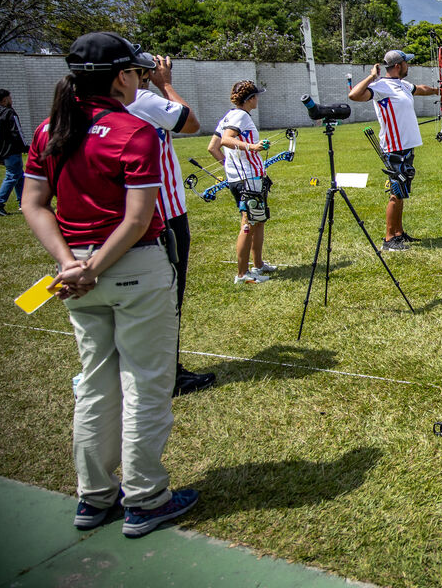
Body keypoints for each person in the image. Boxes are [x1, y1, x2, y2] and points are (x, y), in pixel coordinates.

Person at [21, 31, 198, 537]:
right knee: (145, 383)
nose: (141, 79)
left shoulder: (49, 129)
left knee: (95, 382)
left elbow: (34, 204)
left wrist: (72, 264)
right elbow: (138, 219)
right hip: (129, 266)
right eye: (138, 73)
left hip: (77, 271)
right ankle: (146, 499)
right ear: (122, 77)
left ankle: (94, 495)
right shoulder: (132, 130)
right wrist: (93, 265)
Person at [126, 54, 216, 395]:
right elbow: (190, 122)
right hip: (164, 214)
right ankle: (167, 374)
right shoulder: (143, 100)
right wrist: (165, 84)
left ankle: (141, 369)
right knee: (168, 295)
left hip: (129, 214)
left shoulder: (91, 107)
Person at [347, 51, 440, 251]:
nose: (408, 66)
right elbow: (354, 95)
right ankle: (389, 239)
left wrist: (437, 90)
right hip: (394, 147)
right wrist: (372, 77)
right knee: (396, 192)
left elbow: (419, 89)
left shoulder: (403, 85)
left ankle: (399, 233)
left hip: (406, 146)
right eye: (406, 63)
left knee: (402, 190)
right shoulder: (380, 86)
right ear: (398, 65)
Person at [207, 80, 275, 284]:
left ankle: (258, 265)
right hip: (248, 179)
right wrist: (253, 147)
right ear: (250, 99)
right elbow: (226, 140)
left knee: (258, 220)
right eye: (256, 96)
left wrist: (229, 166)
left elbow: (212, 147)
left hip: (243, 178)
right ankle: (242, 274)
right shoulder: (241, 116)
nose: (258, 99)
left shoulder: (229, 115)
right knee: (248, 223)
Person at [0, 88, 29, 215]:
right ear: (5, 100)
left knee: (19, 176)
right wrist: (26, 147)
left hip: (1, 152)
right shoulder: (9, 112)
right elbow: (17, 131)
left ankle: (23, 203)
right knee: (12, 176)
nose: (11, 100)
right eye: (10, 98)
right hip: (12, 150)